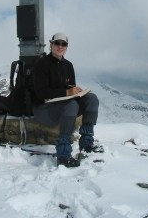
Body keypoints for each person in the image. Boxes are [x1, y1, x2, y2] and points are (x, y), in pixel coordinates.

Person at [32, 32, 103, 168]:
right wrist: (66, 92)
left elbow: (69, 90)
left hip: (62, 106)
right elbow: (41, 93)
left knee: (92, 99)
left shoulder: (68, 65)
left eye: (63, 44)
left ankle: (86, 144)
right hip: (43, 109)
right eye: (57, 43)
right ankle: (63, 155)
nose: (60, 46)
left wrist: (77, 92)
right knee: (71, 105)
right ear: (51, 44)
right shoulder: (41, 64)